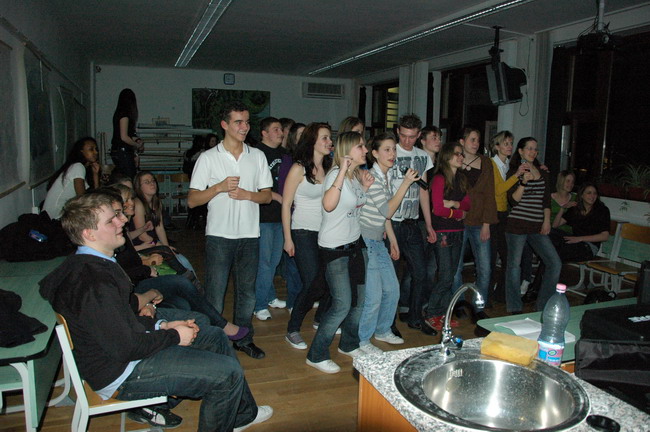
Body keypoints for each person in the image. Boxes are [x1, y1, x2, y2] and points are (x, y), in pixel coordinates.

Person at [39, 191, 273, 431]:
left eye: (119, 215)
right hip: (122, 374)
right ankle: (229, 408)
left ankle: (242, 414)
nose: (123, 221)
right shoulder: (94, 282)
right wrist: (173, 335)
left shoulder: (94, 264)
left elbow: (122, 317)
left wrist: (161, 325)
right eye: (112, 220)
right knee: (228, 374)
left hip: (125, 354)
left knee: (212, 335)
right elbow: (126, 346)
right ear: (89, 234)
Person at [188, 101, 273, 360]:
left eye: (247, 122)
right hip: (219, 236)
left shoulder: (257, 156)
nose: (244, 127)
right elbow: (192, 200)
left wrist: (249, 194)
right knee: (215, 293)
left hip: (249, 235)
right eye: (238, 122)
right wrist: (218, 187)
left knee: (247, 293)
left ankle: (243, 339)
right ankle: (213, 342)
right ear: (224, 124)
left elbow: (267, 196)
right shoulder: (208, 158)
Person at [109, 184, 249, 340]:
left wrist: (148, 258)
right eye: (126, 201)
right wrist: (147, 268)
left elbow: (130, 258)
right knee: (180, 281)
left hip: (140, 278)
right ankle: (221, 324)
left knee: (182, 303)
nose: (131, 203)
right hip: (136, 285)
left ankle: (194, 332)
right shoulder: (112, 237)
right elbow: (121, 270)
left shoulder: (122, 230)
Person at [306, 131, 373, 374]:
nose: (366, 150)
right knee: (342, 304)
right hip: (334, 249)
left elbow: (352, 207)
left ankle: (349, 344)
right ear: (347, 151)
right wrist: (343, 170)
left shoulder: (355, 176)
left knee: (358, 301)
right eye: (360, 146)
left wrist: (364, 187)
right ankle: (316, 355)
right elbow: (328, 205)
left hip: (355, 245)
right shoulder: (337, 174)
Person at [358, 132, 418, 353]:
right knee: (373, 296)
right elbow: (388, 210)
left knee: (392, 290)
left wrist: (392, 241)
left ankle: (382, 330)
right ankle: (362, 340)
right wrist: (406, 183)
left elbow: (385, 218)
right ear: (374, 153)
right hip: (365, 241)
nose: (392, 154)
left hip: (378, 240)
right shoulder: (372, 177)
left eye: (393, 149)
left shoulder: (386, 176)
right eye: (386, 149)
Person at [283, 123, 333, 350]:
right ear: (313, 141)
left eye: (329, 138)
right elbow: (286, 205)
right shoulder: (298, 168)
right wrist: (288, 238)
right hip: (302, 231)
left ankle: (320, 318)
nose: (329, 142)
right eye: (324, 138)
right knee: (313, 281)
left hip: (325, 232)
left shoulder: (330, 168)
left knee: (329, 280)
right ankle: (292, 329)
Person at [387, 114, 436, 333]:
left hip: (412, 223)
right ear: (398, 132)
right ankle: (388, 323)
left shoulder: (422, 156)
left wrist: (429, 224)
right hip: (393, 223)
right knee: (392, 277)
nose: (407, 141)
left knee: (420, 273)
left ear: (418, 135)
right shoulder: (390, 152)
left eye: (412, 137)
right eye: (404, 136)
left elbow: (424, 192)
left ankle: (415, 317)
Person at [504, 137, 562, 313]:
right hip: (517, 225)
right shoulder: (515, 172)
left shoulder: (543, 172)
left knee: (554, 263)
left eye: (535, 149)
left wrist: (546, 221)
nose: (532, 152)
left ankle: (542, 305)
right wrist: (523, 181)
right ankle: (514, 306)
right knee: (514, 266)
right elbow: (513, 200)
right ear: (520, 151)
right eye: (529, 148)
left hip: (537, 225)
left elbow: (546, 201)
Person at [424, 142, 471, 330]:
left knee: (450, 276)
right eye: (457, 154)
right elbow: (438, 209)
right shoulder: (439, 178)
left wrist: (452, 204)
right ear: (447, 156)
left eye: (461, 154)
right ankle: (431, 313)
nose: (461, 157)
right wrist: (457, 212)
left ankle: (442, 313)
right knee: (445, 277)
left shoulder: (461, 178)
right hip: (443, 232)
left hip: (458, 232)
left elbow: (467, 205)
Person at [452, 127, 497, 321]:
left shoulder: (486, 163)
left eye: (478, 140)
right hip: (459, 221)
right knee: (456, 267)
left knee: (485, 268)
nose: (476, 143)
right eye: (472, 139)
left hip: (479, 221)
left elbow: (490, 194)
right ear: (462, 142)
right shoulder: (454, 160)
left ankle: (479, 306)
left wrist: (487, 223)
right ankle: (459, 303)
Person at [253, 117, 289, 321]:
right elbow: (252, 185)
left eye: (281, 129)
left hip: (281, 216)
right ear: (264, 133)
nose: (280, 133)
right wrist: (275, 196)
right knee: (265, 263)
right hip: (263, 216)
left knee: (274, 262)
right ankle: (258, 305)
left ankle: (269, 296)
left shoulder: (284, 154)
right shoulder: (256, 153)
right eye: (275, 129)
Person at [489, 131, 528, 303]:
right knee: (492, 257)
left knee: (507, 256)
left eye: (511, 143)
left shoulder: (507, 165)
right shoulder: (491, 164)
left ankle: (500, 293)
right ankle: (488, 295)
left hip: (504, 214)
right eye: (506, 143)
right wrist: (516, 176)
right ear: (496, 146)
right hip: (493, 214)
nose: (510, 147)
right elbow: (498, 190)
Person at [43, 137, 101, 219]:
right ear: (81, 151)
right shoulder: (78, 167)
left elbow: (94, 197)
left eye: (96, 149)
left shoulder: (82, 168)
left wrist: (95, 175)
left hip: (61, 215)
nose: (96, 152)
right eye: (91, 149)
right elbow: (82, 198)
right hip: (55, 217)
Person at [552, 182, 610, 262]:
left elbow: (605, 236)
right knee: (549, 232)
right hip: (574, 242)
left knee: (554, 253)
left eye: (595, 193)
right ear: (582, 195)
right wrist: (562, 208)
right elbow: (555, 225)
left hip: (589, 247)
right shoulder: (575, 209)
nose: (592, 196)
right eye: (589, 193)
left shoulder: (602, 210)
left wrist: (579, 239)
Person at [110, 88, 142, 179]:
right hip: (122, 151)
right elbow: (124, 137)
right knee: (129, 177)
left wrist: (138, 141)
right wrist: (136, 145)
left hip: (119, 150)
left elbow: (127, 135)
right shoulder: (124, 115)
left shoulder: (119, 114)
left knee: (125, 177)